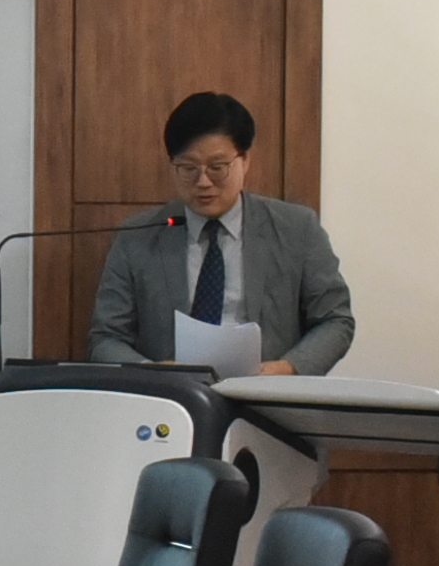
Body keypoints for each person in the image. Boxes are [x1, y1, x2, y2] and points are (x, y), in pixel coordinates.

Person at [87, 92, 356, 377]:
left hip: (268, 396)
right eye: (188, 169)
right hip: (174, 399)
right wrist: (150, 372)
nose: (203, 182)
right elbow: (106, 338)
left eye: (217, 168)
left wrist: (287, 368)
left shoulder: (297, 228)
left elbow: (335, 320)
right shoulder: (138, 236)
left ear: (245, 161)